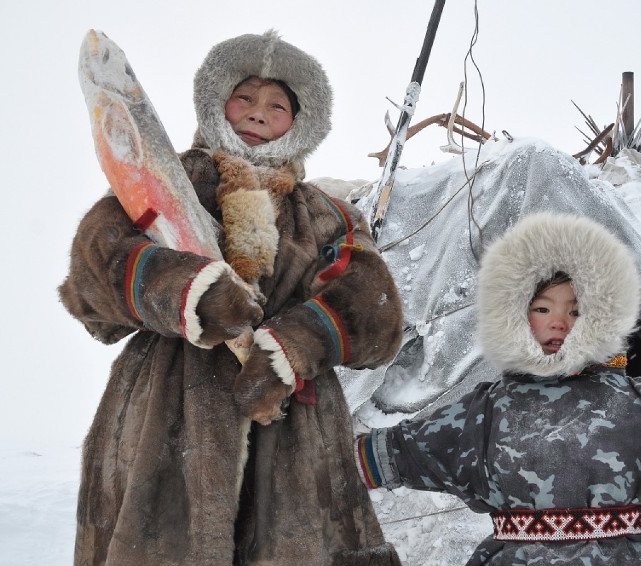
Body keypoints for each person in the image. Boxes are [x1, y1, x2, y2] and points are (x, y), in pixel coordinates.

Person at [61, 31, 404, 565]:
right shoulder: (162, 180)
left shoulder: (328, 215)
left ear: (303, 121)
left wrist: (294, 345)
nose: (259, 112)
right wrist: (188, 290)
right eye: (245, 96)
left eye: (278, 104)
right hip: (163, 415)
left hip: (294, 428)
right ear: (218, 101)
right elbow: (93, 274)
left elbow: (373, 306)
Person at [352, 212, 641, 565]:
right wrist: (331, 459)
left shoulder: (637, 400)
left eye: (576, 310)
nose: (559, 321)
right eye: (542, 307)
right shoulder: (487, 411)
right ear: (514, 311)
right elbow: (408, 449)